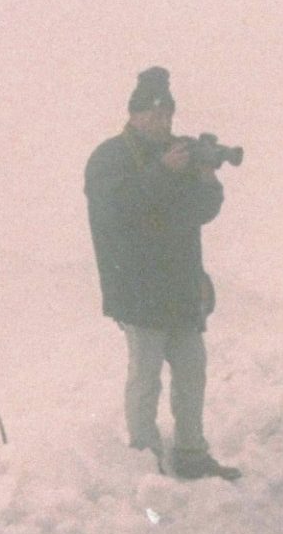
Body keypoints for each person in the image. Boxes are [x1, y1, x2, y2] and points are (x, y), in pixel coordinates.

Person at [84, 66, 239, 481]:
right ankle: (144, 458)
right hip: (137, 288)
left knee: (192, 375)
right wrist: (164, 172)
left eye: (167, 115)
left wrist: (206, 176)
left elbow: (201, 211)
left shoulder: (179, 152)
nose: (162, 123)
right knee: (145, 378)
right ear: (133, 115)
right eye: (153, 115)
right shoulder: (109, 157)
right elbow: (118, 209)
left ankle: (191, 452)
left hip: (182, 286)